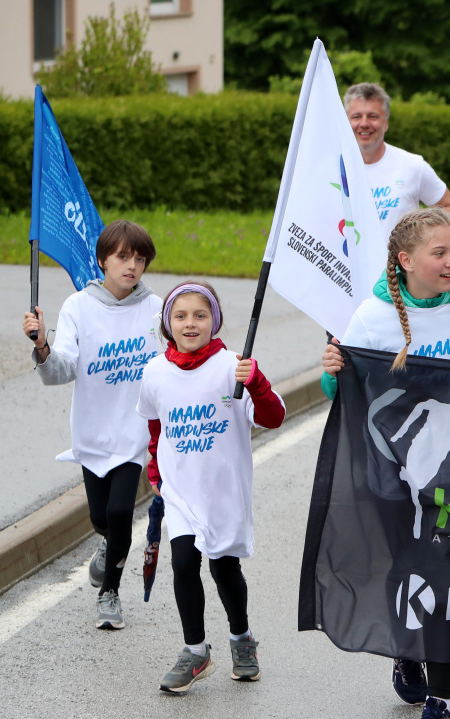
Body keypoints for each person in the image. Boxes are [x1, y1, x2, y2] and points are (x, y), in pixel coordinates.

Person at [321, 207, 450, 719]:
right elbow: (339, 393)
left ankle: (439, 705)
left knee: (440, 578)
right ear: (406, 260)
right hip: (389, 468)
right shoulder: (372, 317)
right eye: (440, 253)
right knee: (402, 566)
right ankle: (405, 646)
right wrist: (332, 370)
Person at [137, 281, 286, 692]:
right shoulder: (155, 371)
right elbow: (156, 426)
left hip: (223, 492)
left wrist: (256, 382)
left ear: (214, 321)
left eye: (200, 315)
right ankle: (196, 651)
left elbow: (273, 417)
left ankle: (242, 638)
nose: (190, 323)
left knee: (224, 569)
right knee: (184, 563)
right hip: (181, 492)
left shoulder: (233, 366)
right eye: (180, 316)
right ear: (167, 323)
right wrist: (156, 471)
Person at [22, 221, 163, 631]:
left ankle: (110, 593)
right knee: (102, 518)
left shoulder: (156, 309)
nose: (132, 266)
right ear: (102, 260)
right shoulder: (78, 307)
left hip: (134, 434)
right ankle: (107, 543)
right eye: (123, 257)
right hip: (92, 432)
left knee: (119, 513)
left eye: (140, 259)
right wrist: (42, 346)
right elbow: (60, 369)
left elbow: (174, 362)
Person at [344, 82, 450, 243]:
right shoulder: (331, 170)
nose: (364, 123)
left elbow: (449, 207)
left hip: (398, 260)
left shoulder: (412, 166)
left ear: (386, 123)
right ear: (345, 122)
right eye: (356, 116)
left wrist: (420, 237)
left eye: (373, 116)